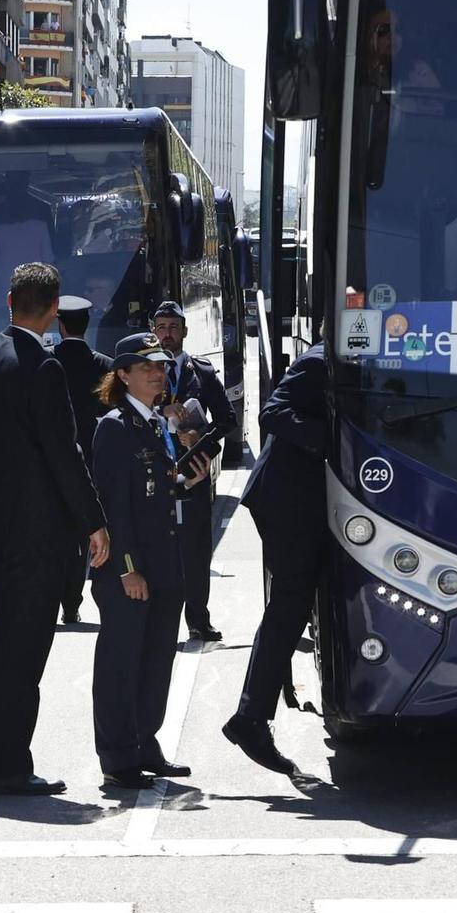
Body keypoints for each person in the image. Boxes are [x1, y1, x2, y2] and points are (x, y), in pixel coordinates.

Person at [0, 262, 108, 796]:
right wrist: (93, 521)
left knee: (4, 643)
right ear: (52, 306)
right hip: (36, 530)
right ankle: (8, 765)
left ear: (10, 298)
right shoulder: (43, 367)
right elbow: (63, 452)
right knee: (24, 651)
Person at [88, 333, 208, 789]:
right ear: (122, 375)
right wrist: (124, 567)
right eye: (145, 368)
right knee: (122, 660)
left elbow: (154, 492)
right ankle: (118, 756)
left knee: (156, 658)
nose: (157, 374)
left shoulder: (157, 422)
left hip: (164, 560)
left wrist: (185, 482)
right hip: (130, 566)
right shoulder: (116, 426)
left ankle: (144, 742)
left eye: (159, 366)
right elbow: (112, 504)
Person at [222, 342, 329, 774]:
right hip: (286, 499)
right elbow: (272, 412)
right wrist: (332, 439)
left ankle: (252, 714)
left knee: (295, 602)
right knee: (289, 602)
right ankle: (250, 718)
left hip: (305, 500)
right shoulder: (319, 361)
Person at [150, 300, 238, 642]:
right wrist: (161, 411)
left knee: (197, 552)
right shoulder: (145, 370)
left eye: (173, 327)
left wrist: (200, 442)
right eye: (161, 328)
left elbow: (227, 420)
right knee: (158, 548)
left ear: (185, 331)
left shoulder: (201, 372)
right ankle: (160, 621)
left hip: (195, 473)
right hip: (155, 472)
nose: (167, 334)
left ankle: (198, 619)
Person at [50, 295, 114, 623]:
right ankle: (72, 601)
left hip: (50, 457)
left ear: (59, 324)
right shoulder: (104, 364)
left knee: (54, 530)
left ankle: (54, 593)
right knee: (82, 531)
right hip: (91, 454)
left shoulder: (46, 361)